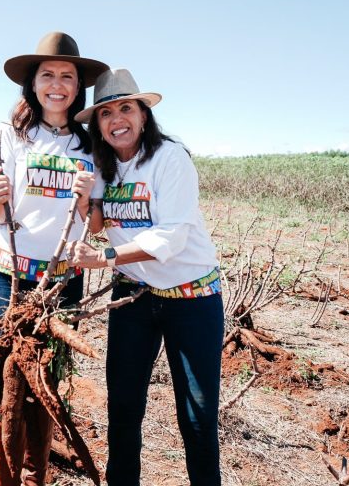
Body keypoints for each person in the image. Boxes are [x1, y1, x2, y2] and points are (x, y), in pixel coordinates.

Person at [65, 68, 224, 486]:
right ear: (97, 124)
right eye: (106, 113)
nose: (117, 119)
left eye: (126, 108)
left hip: (191, 297)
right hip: (134, 295)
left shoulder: (170, 158)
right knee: (123, 407)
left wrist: (105, 257)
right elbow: (98, 222)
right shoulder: (103, 165)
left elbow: (170, 237)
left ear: (143, 114)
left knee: (197, 415)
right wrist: (85, 199)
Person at [0, 31, 108, 486]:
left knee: (47, 383)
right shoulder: (8, 136)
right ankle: (6, 476)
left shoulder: (91, 145)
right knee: (5, 380)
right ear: (32, 84)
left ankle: (37, 478)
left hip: (60, 280)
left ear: (79, 87)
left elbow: (95, 226)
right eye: (48, 75)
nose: (57, 84)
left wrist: (85, 200)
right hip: (6, 275)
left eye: (67, 76)